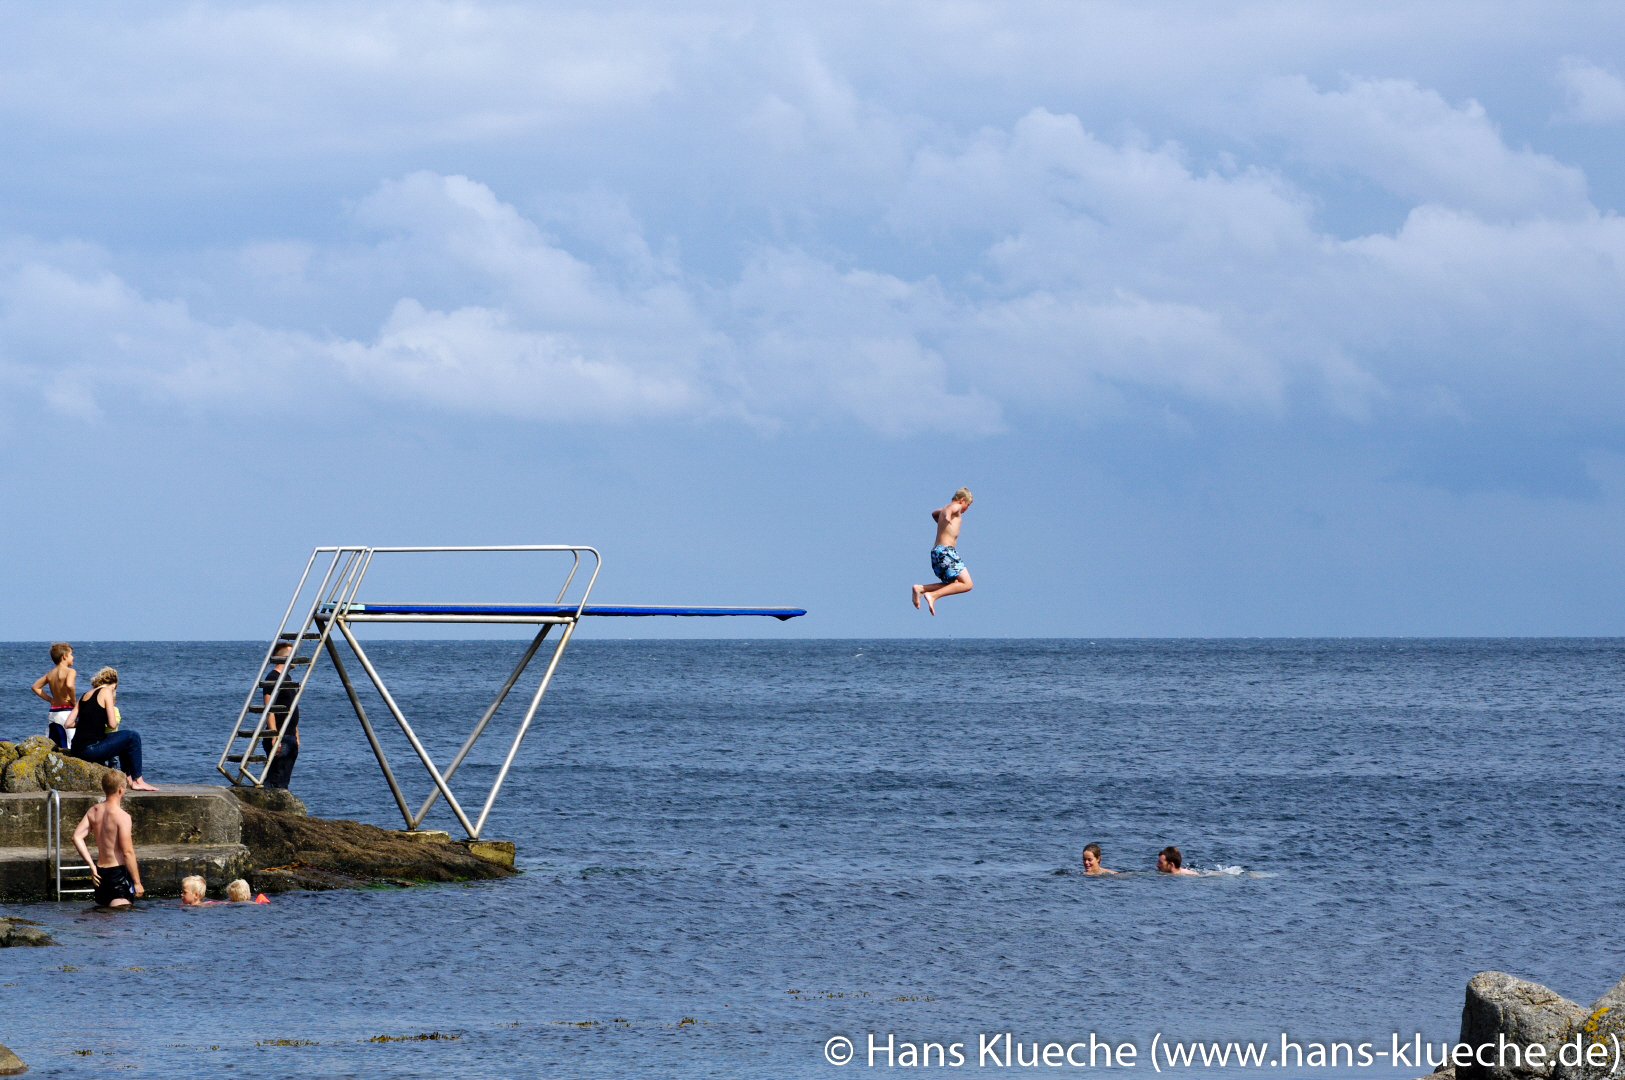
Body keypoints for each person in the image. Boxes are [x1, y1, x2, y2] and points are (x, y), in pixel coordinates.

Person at [69, 668, 157, 791]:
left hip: (76, 749)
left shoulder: (85, 694)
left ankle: (130, 779)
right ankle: (139, 780)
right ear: (113, 684)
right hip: (90, 749)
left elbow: (68, 723)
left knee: (124, 741)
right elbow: (112, 723)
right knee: (132, 736)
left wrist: (87, 722)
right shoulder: (106, 691)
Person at [72, 769, 144, 907]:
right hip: (117, 874)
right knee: (121, 921)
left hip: (100, 874)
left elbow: (76, 837)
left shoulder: (94, 811)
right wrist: (137, 882)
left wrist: (91, 865)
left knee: (103, 921)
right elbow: (127, 852)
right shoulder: (122, 817)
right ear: (120, 790)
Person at [911, 487, 975, 615]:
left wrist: (942, 520)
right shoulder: (955, 507)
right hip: (946, 552)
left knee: (953, 584)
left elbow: (934, 513)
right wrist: (947, 517)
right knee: (968, 584)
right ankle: (933, 595)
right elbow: (952, 509)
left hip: (937, 552)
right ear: (962, 500)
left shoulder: (944, 508)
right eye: (967, 505)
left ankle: (921, 588)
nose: (967, 509)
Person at [260, 644, 301, 789]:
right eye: (292, 655)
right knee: (275, 778)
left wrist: (295, 732)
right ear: (284, 658)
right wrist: (274, 735)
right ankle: (269, 805)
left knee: (284, 780)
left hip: (289, 735)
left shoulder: (287, 678)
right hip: (280, 735)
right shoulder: (272, 677)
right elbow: (269, 708)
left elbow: (290, 707)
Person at [31, 642, 78, 749]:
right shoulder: (70, 671)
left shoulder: (50, 673)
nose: (73, 657)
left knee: (54, 742)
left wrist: (51, 700)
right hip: (66, 710)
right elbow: (70, 685)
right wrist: (74, 702)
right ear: (64, 656)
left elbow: (35, 687)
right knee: (71, 743)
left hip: (53, 711)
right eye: (71, 654)